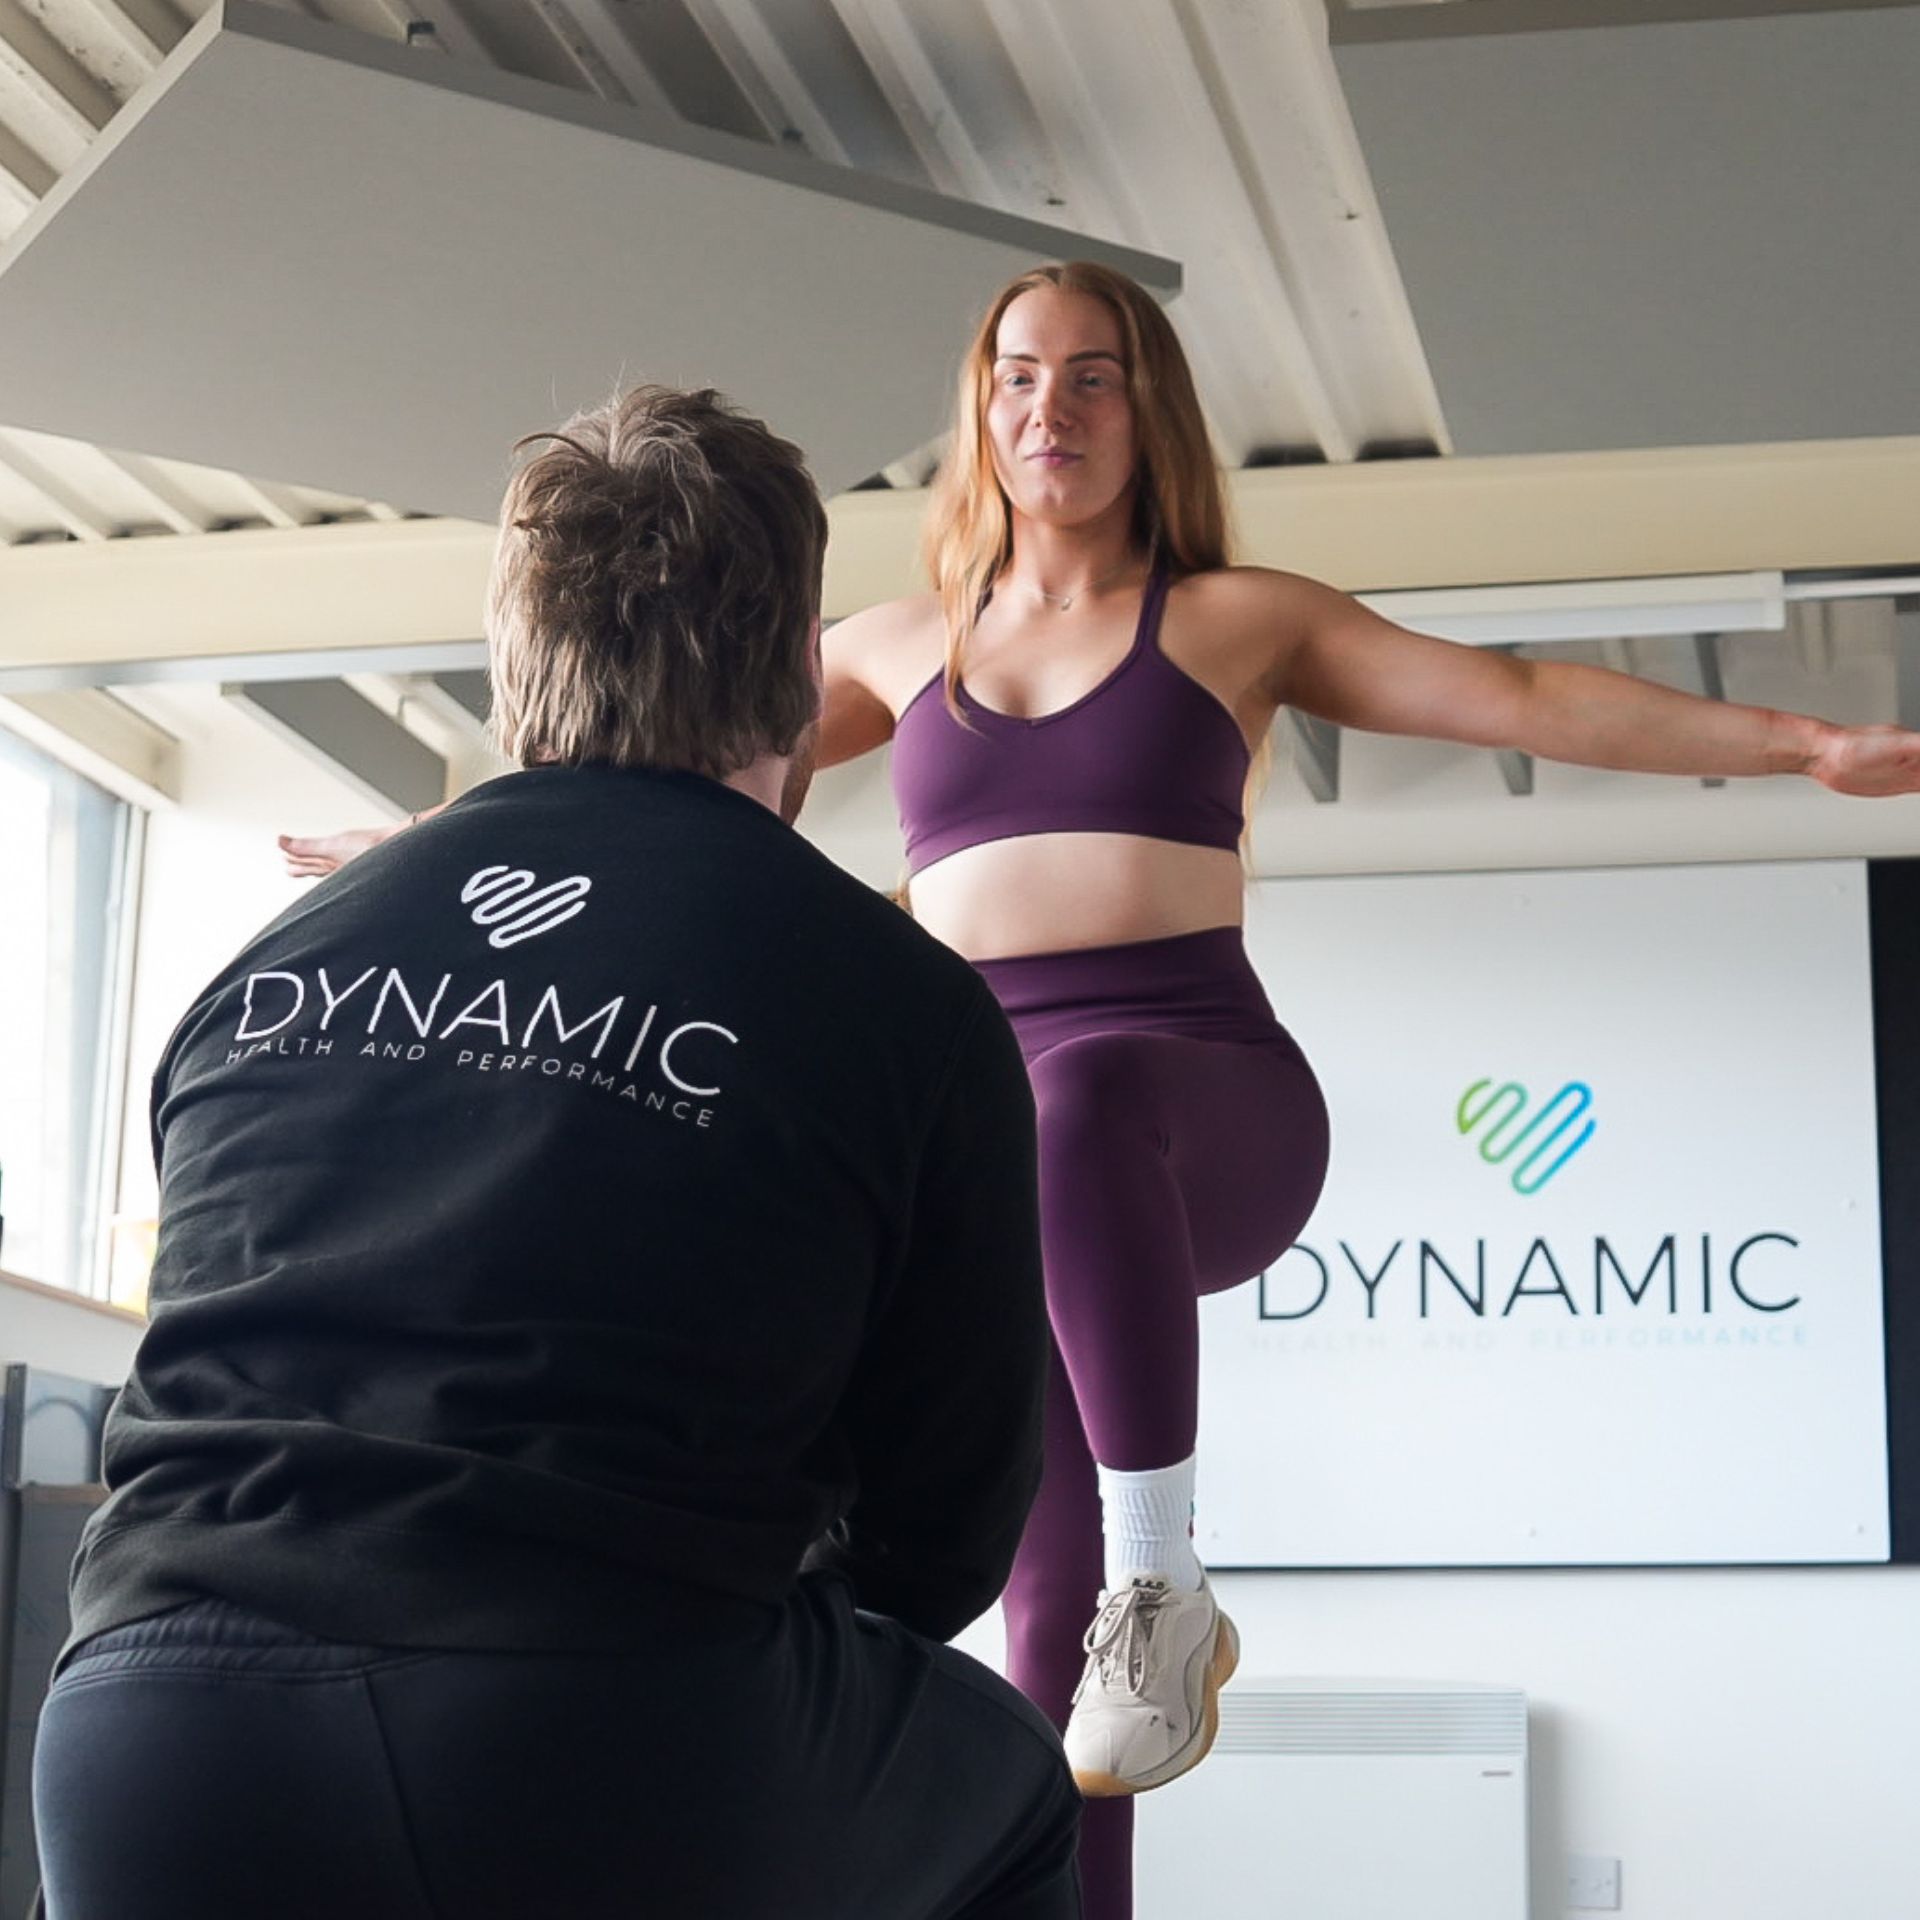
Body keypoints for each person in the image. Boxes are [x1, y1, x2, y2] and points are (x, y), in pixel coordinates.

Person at [282, 262, 1920, 1920]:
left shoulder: (1236, 620)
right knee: (1056, 1641)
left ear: (1150, 414)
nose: (1047, 408)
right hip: (1003, 1163)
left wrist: (1805, 746)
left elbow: (1521, 698)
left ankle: (1169, 1571)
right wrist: (432, 852)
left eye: (1091, 376)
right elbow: (660, 784)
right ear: (978, 416)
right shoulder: (898, 646)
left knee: (1077, 1133)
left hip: (1205, 1102)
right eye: (1014, 378)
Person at [34, 386, 1083, 1920]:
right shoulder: (903, 1002)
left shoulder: (260, 969)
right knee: (1012, 1800)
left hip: (146, 1735)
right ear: (801, 681)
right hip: (592, 1720)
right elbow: (941, 1547)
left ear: (509, 666)